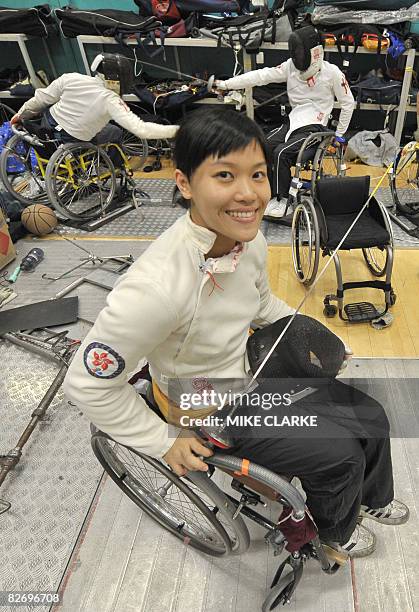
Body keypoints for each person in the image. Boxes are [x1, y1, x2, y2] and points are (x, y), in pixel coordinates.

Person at [64, 107, 408, 558]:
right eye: (225, 175)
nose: (248, 194)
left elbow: (261, 303)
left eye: (259, 175)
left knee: (371, 415)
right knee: (340, 456)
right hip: (204, 399)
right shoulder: (155, 288)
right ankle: (333, 531)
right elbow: (86, 384)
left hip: (251, 372)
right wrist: (163, 441)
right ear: (185, 183)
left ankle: (371, 500)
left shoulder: (250, 242)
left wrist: (319, 335)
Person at [215, 26, 355, 220]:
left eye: (300, 51)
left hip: (316, 126)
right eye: (295, 50)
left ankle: (282, 200)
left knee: (281, 153)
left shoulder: (332, 73)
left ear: (314, 53)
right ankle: (267, 192)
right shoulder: (290, 67)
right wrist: (226, 84)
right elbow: (260, 76)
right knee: (262, 146)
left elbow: (349, 103)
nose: (296, 55)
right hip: (293, 121)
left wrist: (339, 135)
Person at [10, 53, 178, 146]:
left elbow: (41, 99)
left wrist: (20, 115)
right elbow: (141, 130)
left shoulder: (71, 78)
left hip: (47, 128)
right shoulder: (111, 100)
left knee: (106, 127)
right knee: (115, 132)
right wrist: (176, 131)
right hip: (74, 140)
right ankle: (116, 173)